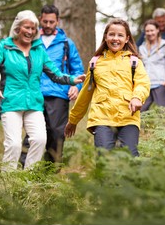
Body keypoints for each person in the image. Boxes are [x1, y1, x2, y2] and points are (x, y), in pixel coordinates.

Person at [0, 10, 85, 171]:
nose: (30, 32)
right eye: (26, 27)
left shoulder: (38, 50)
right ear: (17, 28)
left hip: (34, 103)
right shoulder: (4, 46)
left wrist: (73, 80)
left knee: (39, 139)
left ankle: (28, 179)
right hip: (11, 102)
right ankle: (7, 183)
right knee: (14, 144)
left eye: (33, 28)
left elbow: (55, 74)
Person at [64, 18, 150, 157]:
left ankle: (130, 179)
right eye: (112, 34)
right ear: (105, 37)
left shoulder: (134, 62)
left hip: (128, 117)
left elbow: (142, 83)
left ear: (127, 39)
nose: (115, 38)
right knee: (104, 157)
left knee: (130, 156)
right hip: (102, 118)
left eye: (120, 35)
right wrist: (73, 120)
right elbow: (85, 94)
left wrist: (137, 97)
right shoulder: (95, 63)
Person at [20, 4, 84, 167]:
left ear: (58, 21)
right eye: (45, 21)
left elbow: (78, 71)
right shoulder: (31, 41)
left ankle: (50, 172)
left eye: (51, 22)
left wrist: (76, 87)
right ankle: (22, 171)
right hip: (35, 94)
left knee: (56, 133)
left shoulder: (66, 44)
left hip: (58, 94)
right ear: (40, 19)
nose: (48, 25)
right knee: (33, 134)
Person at [139, 19, 165, 112]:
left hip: (161, 83)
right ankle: (141, 127)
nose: (150, 33)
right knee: (140, 111)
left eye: (152, 30)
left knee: (164, 112)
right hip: (146, 85)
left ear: (157, 30)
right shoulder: (142, 48)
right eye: (147, 31)